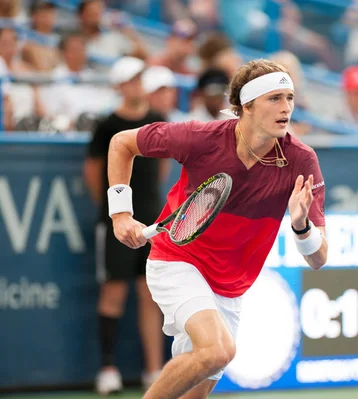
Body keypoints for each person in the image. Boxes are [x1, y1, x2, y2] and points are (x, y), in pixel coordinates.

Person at [105, 59, 328, 399]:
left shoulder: (301, 160)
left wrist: (300, 225)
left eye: (290, 97)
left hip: (230, 286)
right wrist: (121, 213)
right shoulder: (200, 138)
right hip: (178, 260)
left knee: (196, 388)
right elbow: (122, 143)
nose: (287, 108)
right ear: (247, 106)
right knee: (217, 351)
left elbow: (319, 258)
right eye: (275, 98)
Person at [83, 56, 167, 395]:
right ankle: (108, 369)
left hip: (152, 220)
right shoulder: (107, 125)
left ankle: (153, 371)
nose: (136, 85)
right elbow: (93, 172)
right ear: (119, 86)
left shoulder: (157, 120)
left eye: (140, 79)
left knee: (150, 295)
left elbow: (160, 169)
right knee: (113, 293)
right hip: (116, 222)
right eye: (130, 80)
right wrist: (111, 211)